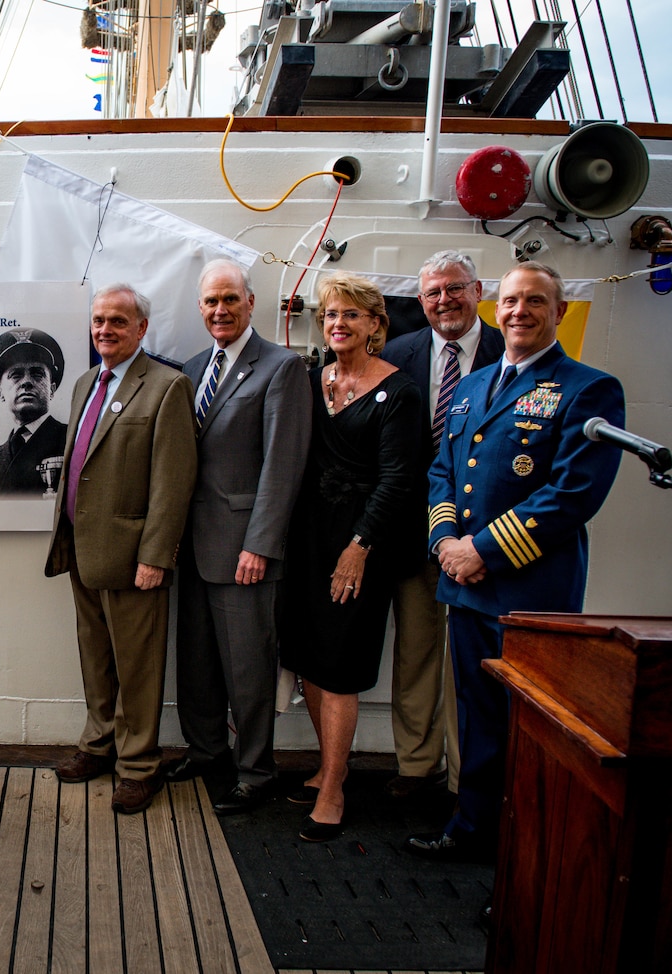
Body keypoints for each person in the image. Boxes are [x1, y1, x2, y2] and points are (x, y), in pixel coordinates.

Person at [408, 262, 624, 860]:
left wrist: (483, 551)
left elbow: (573, 493)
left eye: (534, 301)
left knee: (531, 732)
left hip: (532, 591)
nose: (519, 312)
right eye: (510, 301)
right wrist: (447, 544)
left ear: (558, 311)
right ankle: (473, 831)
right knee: (478, 718)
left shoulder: (588, 389)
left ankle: (525, 853)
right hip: (466, 585)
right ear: (493, 309)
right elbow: (443, 471)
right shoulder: (473, 386)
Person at [278, 272, 425, 842]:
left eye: (350, 315)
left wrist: (359, 548)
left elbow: (397, 482)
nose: (337, 323)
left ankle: (336, 787)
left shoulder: (401, 392)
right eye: (329, 314)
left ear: (376, 325)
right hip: (309, 539)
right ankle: (323, 766)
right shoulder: (314, 380)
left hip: (361, 544)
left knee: (340, 666)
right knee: (310, 655)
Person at [44, 284, 198, 815]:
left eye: (117, 321)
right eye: (98, 321)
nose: (105, 329)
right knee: (96, 659)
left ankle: (138, 766)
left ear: (140, 329)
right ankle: (98, 744)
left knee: (137, 666)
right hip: (82, 551)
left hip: (134, 559)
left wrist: (156, 556)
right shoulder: (87, 381)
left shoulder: (167, 387)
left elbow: (173, 483)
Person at [168, 260, 311, 814]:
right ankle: (207, 753)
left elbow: (283, 467)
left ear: (251, 302)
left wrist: (261, 544)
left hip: (246, 551)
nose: (220, 310)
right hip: (193, 546)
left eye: (230, 299)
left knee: (249, 667)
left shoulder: (281, 368)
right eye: (210, 302)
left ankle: (256, 770)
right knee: (197, 663)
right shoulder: (193, 367)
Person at [380, 251, 505, 801]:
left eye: (455, 289)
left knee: (477, 665)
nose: (444, 301)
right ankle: (416, 767)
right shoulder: (398, 353)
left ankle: (469, 780)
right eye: (432, 293)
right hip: (417, 535)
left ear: (478, 290)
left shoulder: (511, 350)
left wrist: (477, 543)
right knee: (417, 654)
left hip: (491, 545)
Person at [0, 327, 67, 494]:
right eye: (16, 375)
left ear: (52, 389)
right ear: (0, 393)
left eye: (37, 374)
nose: (26, 382)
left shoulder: (73, 439)